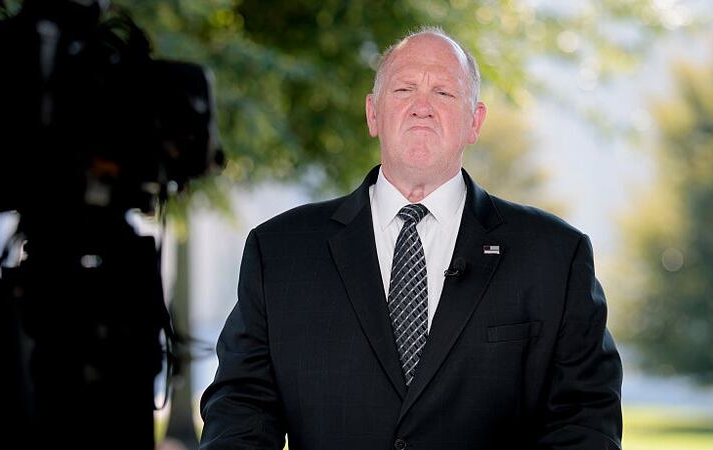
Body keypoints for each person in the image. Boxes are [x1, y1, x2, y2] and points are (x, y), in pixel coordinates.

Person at [200, 26, 623, 450]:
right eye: (404, 89)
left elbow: (586, 418)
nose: (422, 107)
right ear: (372, 113)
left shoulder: (555, 256)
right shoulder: (280, 252)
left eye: (443, 93)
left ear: (474, 121)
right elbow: (241, 408)